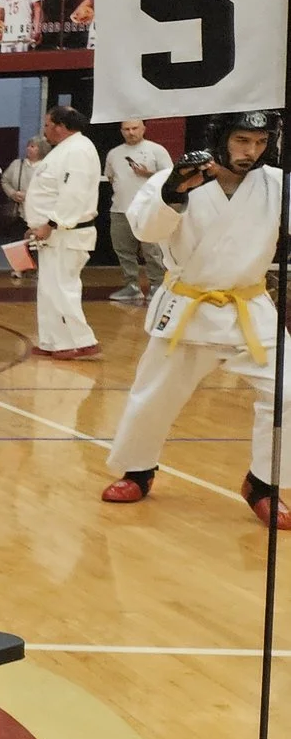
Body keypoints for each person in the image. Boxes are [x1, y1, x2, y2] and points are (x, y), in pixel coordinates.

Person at [102, 114, 291, 528]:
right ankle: (138, 470)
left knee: (289, 394)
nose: (251, 152)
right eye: (242, 140)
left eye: (260, 142)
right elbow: (145, 231)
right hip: (189, 307)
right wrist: (172, 195)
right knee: (154, 396)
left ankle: (263, 483)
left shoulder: (278, 183)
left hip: (250, 307)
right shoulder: (177, 177)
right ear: (220, 138)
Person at [26, 105, 102, 359]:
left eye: (47, 124)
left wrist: (51, 223)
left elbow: (74, 194)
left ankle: (82, 340)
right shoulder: (64, 151)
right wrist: (37, 223)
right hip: (52, 233)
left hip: (67, 232)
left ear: (60, 126)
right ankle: (53, 341)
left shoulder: (79, 150)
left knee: (62, 287)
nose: (45, 129)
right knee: (48, 288)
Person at [104, 119, 172, 305]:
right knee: (123, 250)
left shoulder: (156, 150)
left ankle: (157, 285)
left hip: (148, 209)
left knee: (152, 250)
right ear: (121, 131)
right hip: (120, 209)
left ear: (143, 129)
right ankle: (131, 286)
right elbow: (111, 178)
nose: (131, 132)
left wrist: (148, 174)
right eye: (126, 129)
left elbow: (170, 178)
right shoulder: (114, 154)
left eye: (135, 128)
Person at [4, 136, 45, 216]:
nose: (28, 148)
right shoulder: (16, 164)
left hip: (39, 212)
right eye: (28, 146)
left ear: (41, 149)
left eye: (32, 146)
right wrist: (12, 193)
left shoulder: (46, 167)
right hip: (19, 212)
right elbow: (5, 180)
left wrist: (28, 196)